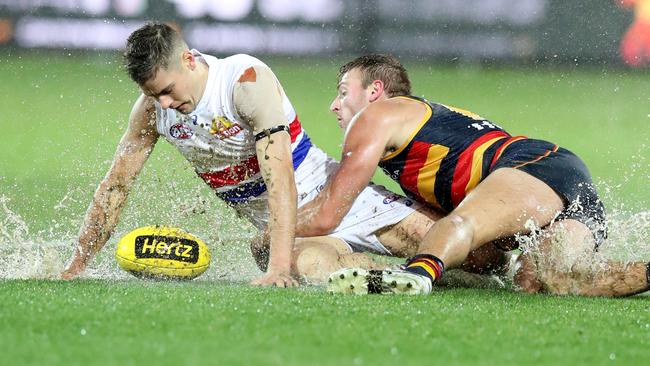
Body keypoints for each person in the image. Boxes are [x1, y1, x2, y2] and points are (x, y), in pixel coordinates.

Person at [59, 23, 505, 287]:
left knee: (479, 253)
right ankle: (392, 279)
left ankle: (540, 258)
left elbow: (280, 177)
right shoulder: (152, 113)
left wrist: (275, 269)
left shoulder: (244, 79)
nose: (164, 104)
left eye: (168, 91)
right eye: (153, 96)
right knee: (316, 269)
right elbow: (116, 185)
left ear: (190, 61)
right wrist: (77, 264)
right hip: (291, 232)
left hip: (336, 199)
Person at [296, 54, 650, 297]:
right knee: (551, 278)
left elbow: (330, 211)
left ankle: (415, 278)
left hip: (531, 167)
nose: (334, 105)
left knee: (460, 225)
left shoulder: (377, 115)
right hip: (561, 176)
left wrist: (279, 227)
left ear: (375, 91)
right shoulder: (416, 119)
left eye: (344, 92)